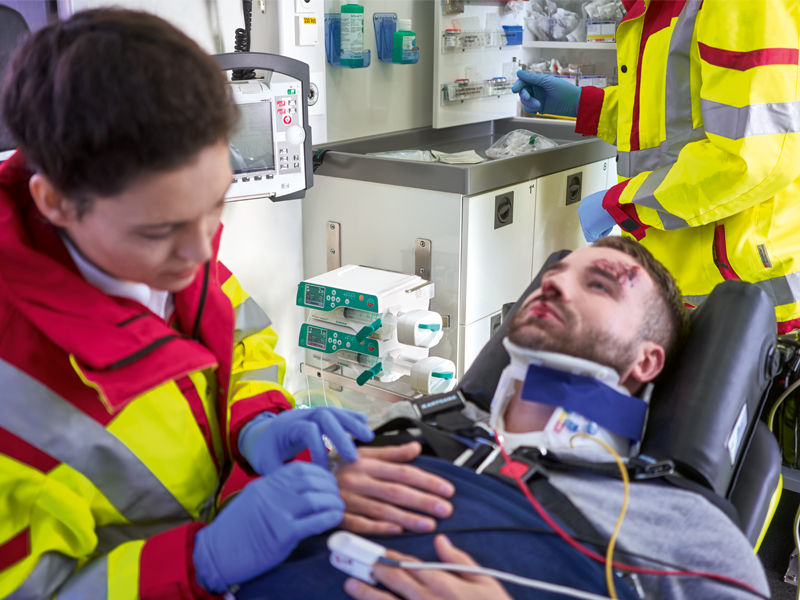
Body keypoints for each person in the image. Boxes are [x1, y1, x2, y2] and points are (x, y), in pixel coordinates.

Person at [0, 9, 382, 598]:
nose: (201, 251)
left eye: (216, 205)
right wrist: (196, 562)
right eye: (159, 231)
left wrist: (258, 423)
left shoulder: (169, 251)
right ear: (53, 202)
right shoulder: (15, 381)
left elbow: (241, 339)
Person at [237, 237, 769, 600]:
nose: (553, 285)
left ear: (645, 361)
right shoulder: (411, 425)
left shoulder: (682, 529)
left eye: (600, 284)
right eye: (553, 275)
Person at [512, 0, 800, 334]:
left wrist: (626, 203)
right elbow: (672, 115)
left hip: (751, 298)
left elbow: (750, 159)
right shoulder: (664, 9)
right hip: (689, 282)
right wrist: (583, 105)